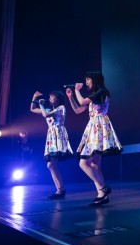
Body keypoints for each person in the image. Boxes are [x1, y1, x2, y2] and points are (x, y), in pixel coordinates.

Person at [66, 71, 122, 207]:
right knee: (95, 165)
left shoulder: (101, 92)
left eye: (88, 79)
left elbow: (82, 101)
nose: (86, 82)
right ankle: (102, 195)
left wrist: (77, 90)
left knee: (83, 163)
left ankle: (103, 188)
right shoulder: (95, 95)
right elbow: (78, 110)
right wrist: (70, 97)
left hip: (99, 126)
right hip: (94, 127)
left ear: (95, 80)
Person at [30, 90, 73, 199]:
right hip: (51, 136)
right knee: (50, 165)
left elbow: (45, 115)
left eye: (52, 96)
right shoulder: (49, 109)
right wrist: (34, 97)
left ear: (57, 99)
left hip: (58, 135)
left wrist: (41, 104)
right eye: (50, 96)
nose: (50, 98)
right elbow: (32, 109)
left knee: (51, 164)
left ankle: (60, 190)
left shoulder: (61, 108)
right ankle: (60, 190)